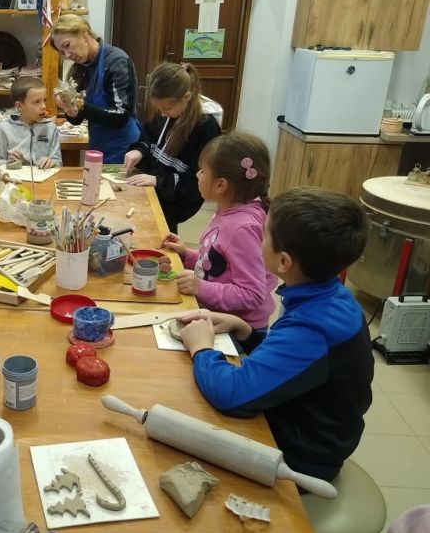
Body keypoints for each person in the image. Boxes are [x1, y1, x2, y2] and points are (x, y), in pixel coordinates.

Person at [178, 187, 373, 482]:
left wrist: (202, 349)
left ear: (284, 262)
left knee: (177, 423)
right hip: (299, 423)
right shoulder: (328, 296)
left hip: (299, 458)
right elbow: (294, 363)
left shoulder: (313, 327)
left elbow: (231, 394)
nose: (259, 241)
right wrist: (244, 330)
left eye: (264, 235)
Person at [161, 132, 277, 331]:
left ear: (221, 185)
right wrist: (187, 255)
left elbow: (252, 294)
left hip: (239, 329)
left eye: (203, 171)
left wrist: (200, 287)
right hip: (218, 314)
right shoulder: (229, 211)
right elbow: (221, 263)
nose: (197, 175)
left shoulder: (242, 228)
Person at [123, 62, 222, 234]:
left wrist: (158, 181)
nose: (162, 113)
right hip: (155, 191)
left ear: (187, 96)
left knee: (158, 234)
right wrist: (139, 151)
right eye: (159, 108)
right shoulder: (169, 110)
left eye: (167, 108)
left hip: (176, 201)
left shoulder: (207, 127)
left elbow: (196, 181)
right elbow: (149, 137)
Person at [51, 14, 140, 164]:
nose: (67, 54)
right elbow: (77, 120)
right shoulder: (78, 69)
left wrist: (82, 107)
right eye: (62, 51)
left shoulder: (116, 62)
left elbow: (121, 116)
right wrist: (69, 109)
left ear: (84, 34)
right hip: (97, 148)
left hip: (124, 151)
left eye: (67, 45)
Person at [0, 76, 62, 169]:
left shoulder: (50, 127)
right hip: (15, 176)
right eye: (37, 102)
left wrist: (52, 162)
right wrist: (8, 162)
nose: (43, 106)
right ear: (19, 106)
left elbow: (58, 162)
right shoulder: (5, 128)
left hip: (43, 176)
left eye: (44, 100)